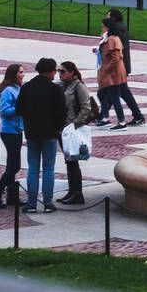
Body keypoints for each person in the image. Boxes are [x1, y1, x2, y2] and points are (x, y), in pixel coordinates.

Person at [16, 58, 67, 213]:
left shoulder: (27, 87)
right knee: (48, 168)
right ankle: (47, 203)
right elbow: (62, 112)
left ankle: (31, 203)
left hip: (32, 132)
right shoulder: (55, 89)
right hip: (50, 132)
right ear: (50, 71)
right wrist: (57, 127)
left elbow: (19, 109)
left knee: (33, 168)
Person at [95, 15, 145, 128]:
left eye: (103, 26)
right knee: (102, 94)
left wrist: (106, 70)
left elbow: (115, 58)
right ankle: (105, 117)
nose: (101, 28)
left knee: (114, 97)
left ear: (107, 27)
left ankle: (120, 121)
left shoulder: (113, 39)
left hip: (113, 74)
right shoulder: (109, 38)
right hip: (111, 72)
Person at [58, 60, 97, 204]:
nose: (59, 74)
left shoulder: (79, 86)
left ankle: (78, 193)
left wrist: (75, 124)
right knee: (69, 161)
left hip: (71, 128)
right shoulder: (62, 85)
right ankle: (72, 191)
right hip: (63, 129)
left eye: (62, 71)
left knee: (73, 161)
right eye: (58, 71)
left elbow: (86, 108)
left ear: (72, 72)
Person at [0, 64, 27, 210]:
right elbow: (4, 111)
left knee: (12, 164)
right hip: (9, 131)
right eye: (21, 72)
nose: (23, 75)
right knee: (14, 165)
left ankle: (12, 197)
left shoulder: (17, 89)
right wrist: (20, 108)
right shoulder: (8, 90)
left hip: (16, 130)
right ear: (14, 74)